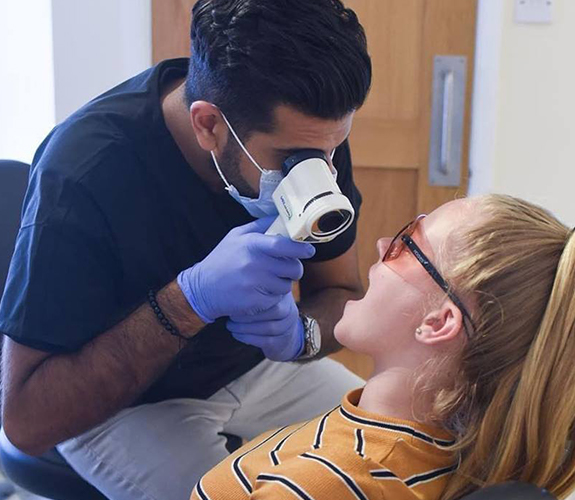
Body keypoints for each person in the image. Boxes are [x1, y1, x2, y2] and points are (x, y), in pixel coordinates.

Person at [0, 1, 372, 499]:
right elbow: (27, 422)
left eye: (332, 148)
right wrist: (188, 300)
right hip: (122, 406)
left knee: (391, 453)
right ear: (209, 125)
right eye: (294, 159)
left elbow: (342, 291)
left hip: (258, 368)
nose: (320, 172)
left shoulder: (310, 135)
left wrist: (300, 335)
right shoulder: (85, 172)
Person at [190, 194, 575, 500]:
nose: (380, 244)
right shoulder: (444, 456)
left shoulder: (325, 483)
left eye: (406, 245)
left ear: (438, 322)